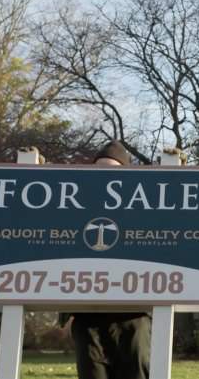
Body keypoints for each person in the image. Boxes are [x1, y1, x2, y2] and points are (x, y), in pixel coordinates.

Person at [68, 140, 151, 379]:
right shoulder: (75, 207)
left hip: (133, 317)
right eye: (99, 168)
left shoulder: (143, 208)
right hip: (87, 317)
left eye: (112, 168)